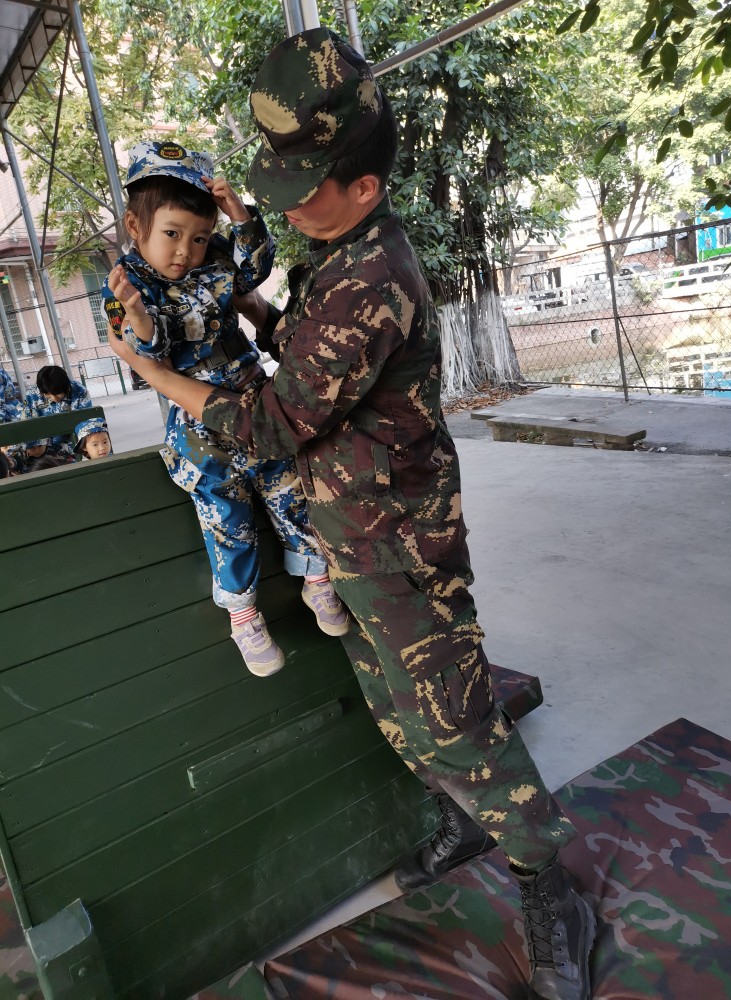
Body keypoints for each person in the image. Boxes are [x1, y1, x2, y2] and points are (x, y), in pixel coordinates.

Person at [107, 30, 595, 999]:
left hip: (397, 544)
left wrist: (153, 368)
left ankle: (550, 883)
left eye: (303, 185)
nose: (285, 203)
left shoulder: (372, 276)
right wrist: (237, 310)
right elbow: (299, 339)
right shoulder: (340, 253)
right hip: (349, 536)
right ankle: (464, 819)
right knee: (396, 707)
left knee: (457, 718)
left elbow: (269, 421)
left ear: (363, 186)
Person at [103, 140, 348, 677]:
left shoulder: (214, 259)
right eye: (172, 234)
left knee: (290, 488)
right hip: (200, 421)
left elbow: (253, 273)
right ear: (135, 226)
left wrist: (240, 218)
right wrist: (139, 319)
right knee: (225, 517)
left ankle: (315, 578)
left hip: (253, 398)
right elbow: (146, 353)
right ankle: (243, 615)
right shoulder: (127, 285)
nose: (184, 251)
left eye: (198, 237)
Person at [22, 365, 93, 459]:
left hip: (73, 444)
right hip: (42, 447)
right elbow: (28, 424)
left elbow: (86, 423)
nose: (55, 398)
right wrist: (39, 445)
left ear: (66, 386)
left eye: (58, 394)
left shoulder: (79, 391)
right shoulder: (32, 395)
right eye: (48, 395)